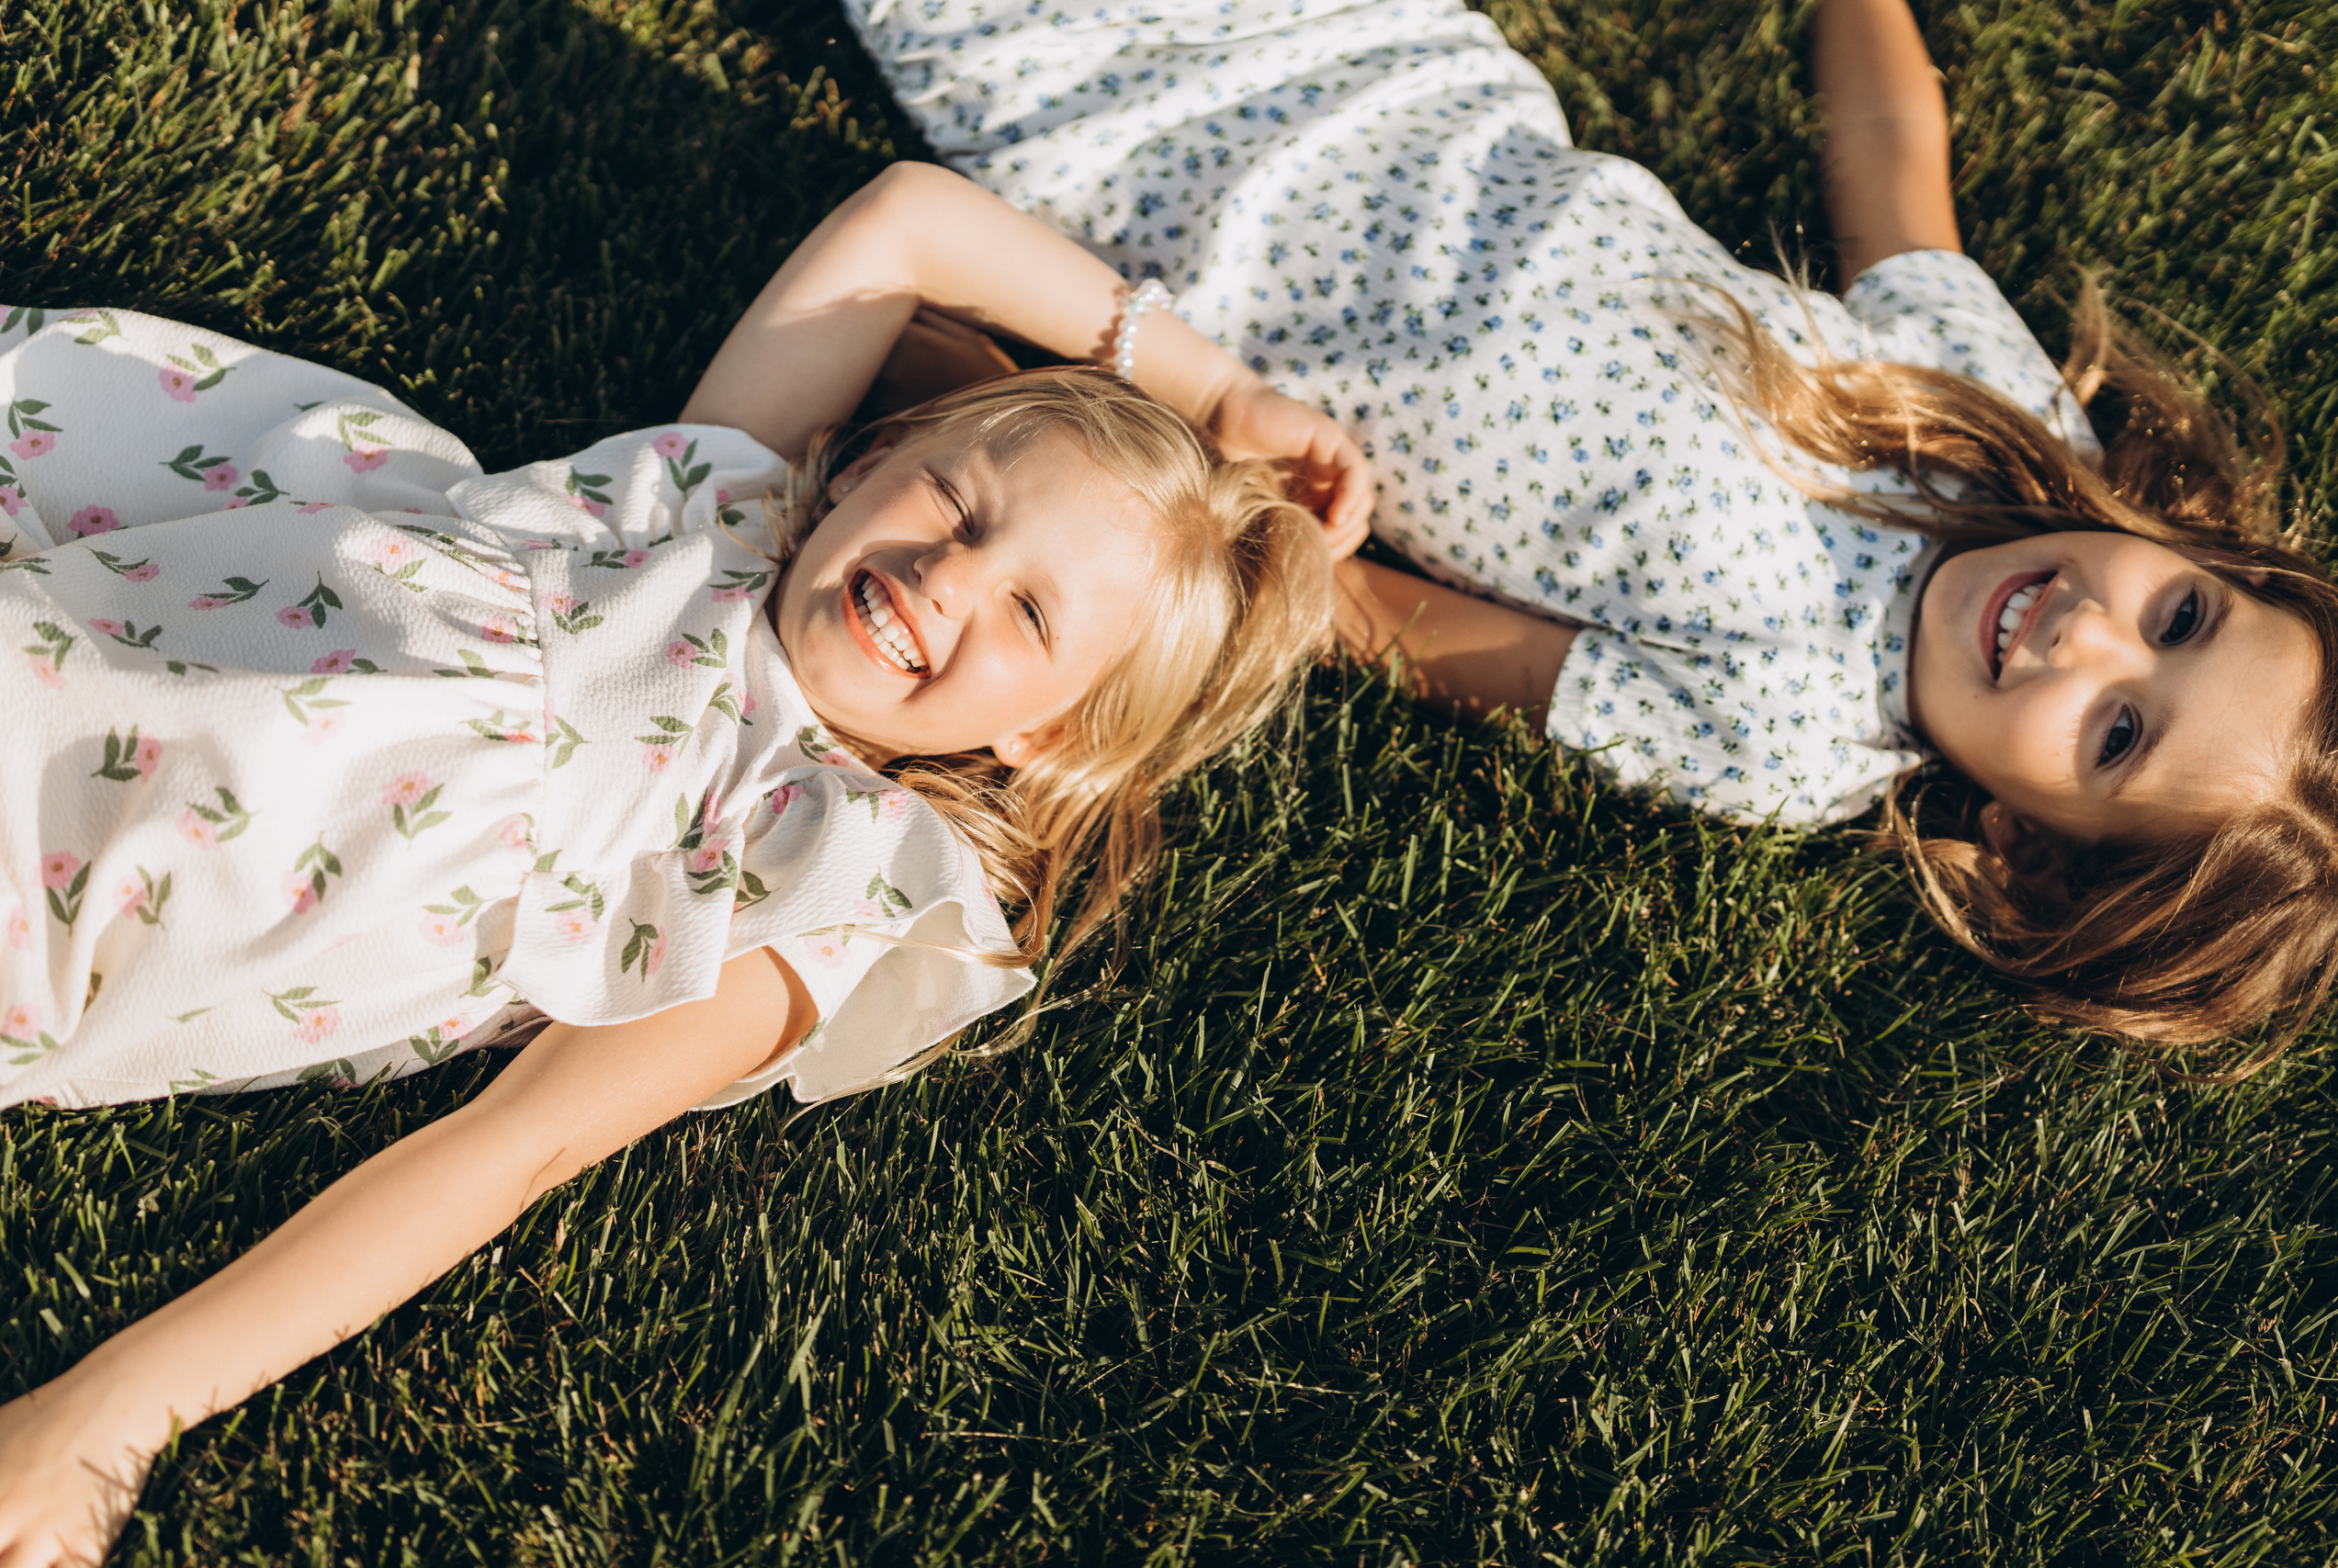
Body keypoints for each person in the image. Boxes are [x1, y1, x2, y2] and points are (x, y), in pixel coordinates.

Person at [0, 164, 1348, 1560]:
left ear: (1047, 731)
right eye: (955, 500)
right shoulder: (718, 501)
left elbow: (509, 1152)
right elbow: (910, 220)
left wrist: (108, 1415)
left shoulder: (836, 867)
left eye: (1027, 610)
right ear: (872, 463)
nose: (949, 574)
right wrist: (1218, 390)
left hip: (88, 898)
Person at [842, 0, 2338, 1066]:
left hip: (1166, 196)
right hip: (1398, 59)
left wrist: (1215, 497)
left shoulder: (1788, 736)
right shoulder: (2005, 436)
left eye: (2115, 736)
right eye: (2181, 619)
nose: (2086, 636)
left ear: (2027, 846)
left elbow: (1402, 632)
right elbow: (1899, 184)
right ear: (2206, 560)